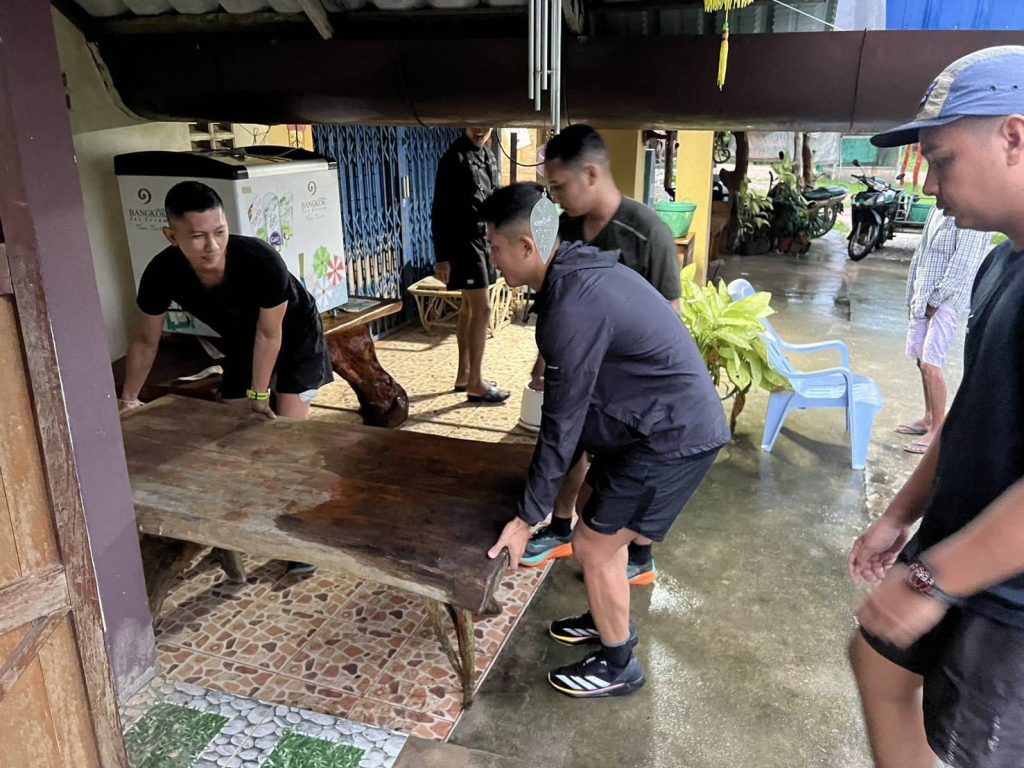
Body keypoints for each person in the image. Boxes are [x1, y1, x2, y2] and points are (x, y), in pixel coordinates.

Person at [848, 45, 1024, 768]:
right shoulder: (1001, 261)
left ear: (1014, 137)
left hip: (1009, 598)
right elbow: (973, 413)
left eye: (942, 160)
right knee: (876, 657)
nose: (930, 184)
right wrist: (901, 515)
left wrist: (933, 579)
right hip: (958, 547)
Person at [485, 183, 728, 698]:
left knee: (593, 543)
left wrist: (526, 518)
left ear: (527, 246)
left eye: (495, 248)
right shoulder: (572, 274)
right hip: (646, 424)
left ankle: (619, 665)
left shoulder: (573, 303)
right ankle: (607, 616)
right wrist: (537, 503)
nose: (493, 260)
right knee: (593, 511)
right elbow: (571, 419)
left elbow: (562, 422)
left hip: (671, 436)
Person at [120, 181, 334, 575]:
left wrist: (259, 396)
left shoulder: (260, 259)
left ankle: (300, 537)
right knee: (234, 436)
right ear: (172, 236)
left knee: (284, 436)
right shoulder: (161, 272)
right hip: (241, 342)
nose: (212, 245)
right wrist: (129, 399)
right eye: (197, 236)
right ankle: (234, 530)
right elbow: (146, 339)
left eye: (219, 232)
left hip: (294, 336)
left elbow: (270, 334)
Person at [521, 124, 682, 589]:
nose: (554, 198)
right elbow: (554, 305)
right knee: (565, 440)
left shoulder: (646, 232)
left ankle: (640, 554)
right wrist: (543, 362)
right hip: (579, 371)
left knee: (630, 467)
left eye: (558, 186)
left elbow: (670, 318)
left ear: (590, 174)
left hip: (630, 386)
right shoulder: (564, 230)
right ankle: (559, 527)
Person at [895, 207, 990, 455]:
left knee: (931, 364)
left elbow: (964, 264)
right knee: (920, 360)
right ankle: (928, 418)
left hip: (946, 301)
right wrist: (916, 295)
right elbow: (922, 254)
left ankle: (938, 430)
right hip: (923, 295)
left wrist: (936, 300)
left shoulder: (970, 214)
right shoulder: (937, 210)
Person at [431, 126, 509, 404]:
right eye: (476, 123)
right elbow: (439, 210)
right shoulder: (454, 158)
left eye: (486, 126)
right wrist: (442, 257)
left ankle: (464, 375)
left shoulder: (488, 156)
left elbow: (494, 199)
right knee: (483, 308)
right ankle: (476, 382)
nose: (480, 130)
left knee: (469, 307)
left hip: (483, 240)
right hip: (464, 243)